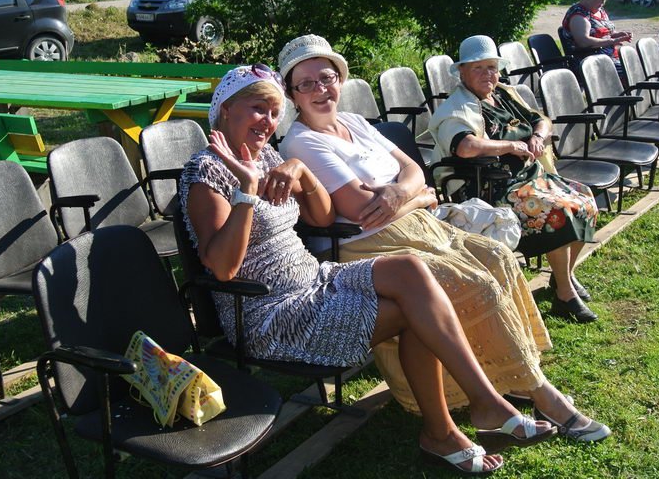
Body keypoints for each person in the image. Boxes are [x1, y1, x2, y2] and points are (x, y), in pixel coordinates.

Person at [179, 64, 566, 475]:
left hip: (313, 280)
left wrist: (300, 171)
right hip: (271, 313)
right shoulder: (207, 170)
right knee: (419, 313)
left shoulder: (268, 155)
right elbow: (222, 268)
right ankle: (446, 431)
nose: (268, 121)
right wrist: (246, 192)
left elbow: (323, 219)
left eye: (274, 113)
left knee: (413, 272)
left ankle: (481, 405)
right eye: (258, 109)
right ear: (225, 110)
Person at [277, 34, 610, 442]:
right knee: (475, 282)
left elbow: (411, 167)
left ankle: (510, 377)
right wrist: (419, 197)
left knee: (498, 258)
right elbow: (361, 211)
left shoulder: (354, 122)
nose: (319, 90)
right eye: (305, 83)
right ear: (292, 94)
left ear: (340, 80)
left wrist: (405, 192)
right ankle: (541, 395)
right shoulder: (302, 141)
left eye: (326, 78)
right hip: (369, 244)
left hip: (418, 223)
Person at [428, 35, 601, 324]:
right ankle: (565, 295)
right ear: (462, 71)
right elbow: (465, 146)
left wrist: (537, 136)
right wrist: (509, 146)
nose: (488, 75)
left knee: (584, 199)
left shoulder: (504, 95)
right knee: (556, 210)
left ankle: (563, 278)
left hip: (530, 177)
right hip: (491, 185)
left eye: (492, 68)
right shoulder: (456, 109)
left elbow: (543, 119)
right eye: (479, 68)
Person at [561, 0, 633, 79]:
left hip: (608, 58)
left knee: (638, 64)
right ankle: (625, 94)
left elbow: (604, 34)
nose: (603, 2)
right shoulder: (578, 16)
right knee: (632, 71)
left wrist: (618, 35)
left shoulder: (599, 10)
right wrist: (612, 41)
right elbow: (583, 41)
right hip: (589, 63)